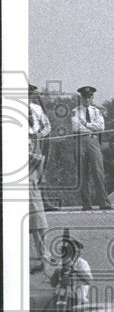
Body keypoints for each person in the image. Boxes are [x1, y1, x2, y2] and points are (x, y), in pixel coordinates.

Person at [69, 85, 112, 210]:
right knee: (83, 174)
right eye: (84, 97)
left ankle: (104, 203)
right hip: (80, 140)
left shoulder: (97, 111)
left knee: (98, 172)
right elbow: (76, 127)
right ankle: (86, 204)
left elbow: (101, 127)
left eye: (89, 97)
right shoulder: (75, 111)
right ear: (81, 98)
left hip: (93, 140)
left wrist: (87, 124)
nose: (87, 100)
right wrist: (92, 126)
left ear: (92, 98)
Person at [28, 84, 51, 271]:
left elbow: (47, 126)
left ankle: (43, 253)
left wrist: (37, 136)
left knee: (35, 208)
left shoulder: (35, 109)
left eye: (28, 94)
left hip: (33, 152)